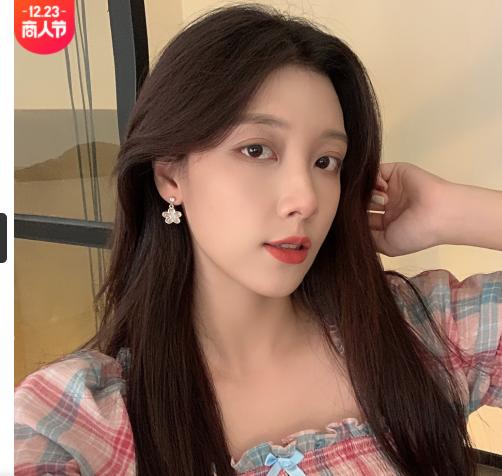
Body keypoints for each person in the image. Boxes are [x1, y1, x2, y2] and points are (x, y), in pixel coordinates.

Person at [14, 3, 502, 476]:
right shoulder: (80, 424)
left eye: (326, 161)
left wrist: (449, 211)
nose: (305, 199)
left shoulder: (417, 331)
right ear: (170, 176)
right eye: (256, 150)